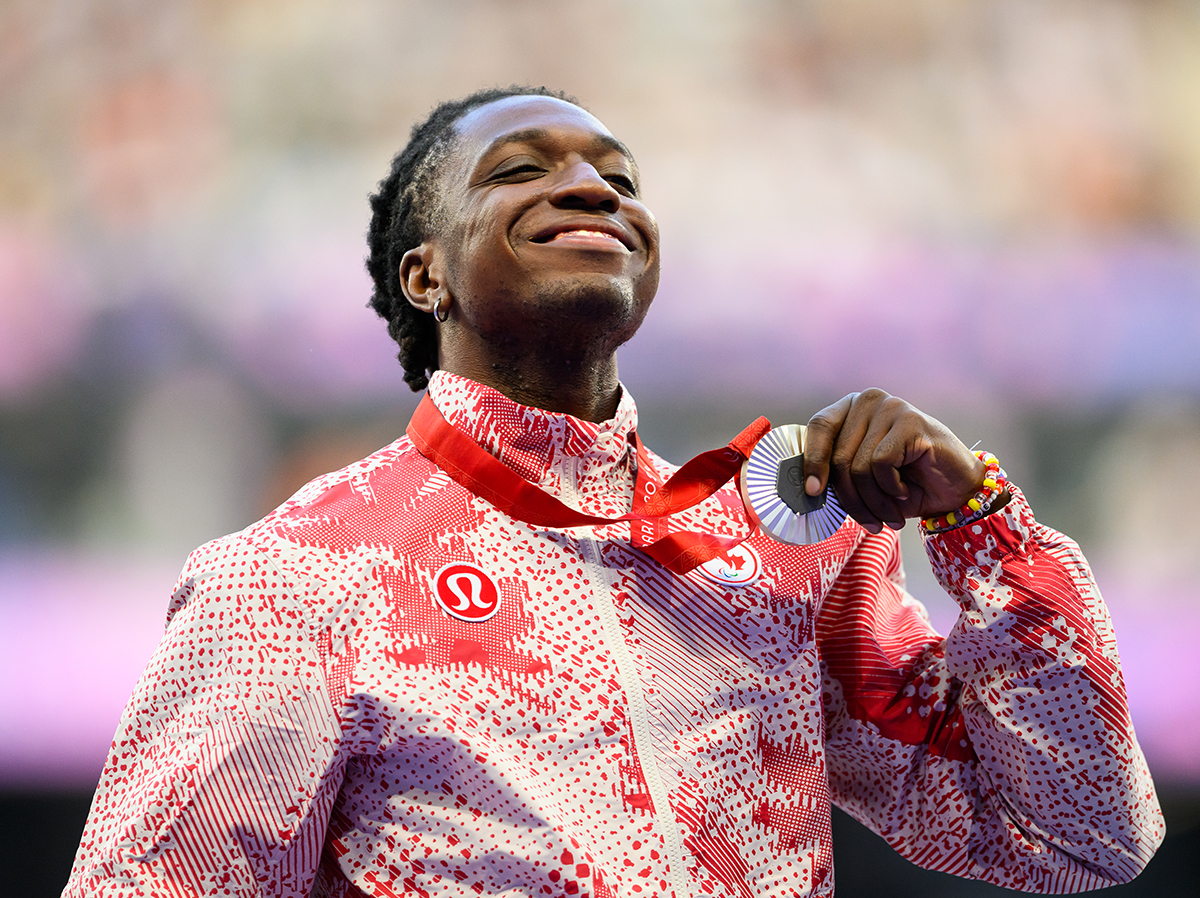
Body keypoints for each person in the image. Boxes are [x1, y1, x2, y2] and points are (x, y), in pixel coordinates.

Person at [65, 86, 1163, 898]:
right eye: (518, 171)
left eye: (619, 178)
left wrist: (979, 523)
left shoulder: (779, 554)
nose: (590, 187)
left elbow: (1076, 833)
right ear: (425, 273)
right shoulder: (298, 579)